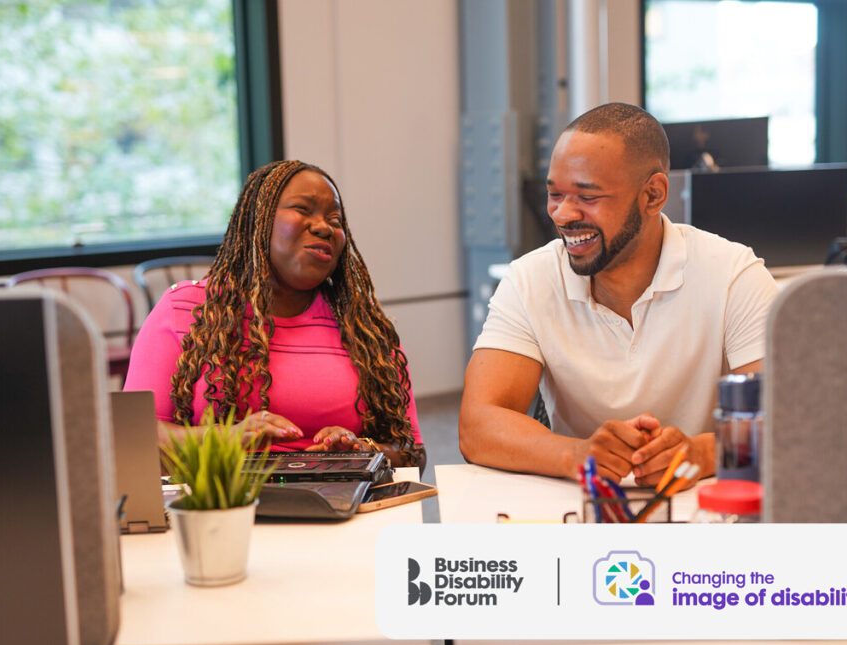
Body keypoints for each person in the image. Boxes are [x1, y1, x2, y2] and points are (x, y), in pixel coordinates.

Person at [459, 103, 777, 485]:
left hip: (709, 504)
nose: (561, 215)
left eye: (587, 197)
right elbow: (478, 425)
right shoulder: (531, 278)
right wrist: (577, 454)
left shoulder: (732, 274)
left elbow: (788, 417)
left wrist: (702, 453)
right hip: (583, 506)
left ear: (653, 195)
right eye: (555, 194)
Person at [125, 160, 425, 469]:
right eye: (303, 209)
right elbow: (135, 439)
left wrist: (363, 451)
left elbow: (412, 452)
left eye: (335, 219)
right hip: (223, 506)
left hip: (344, 507)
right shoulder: (187, 309)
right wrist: (227, 438)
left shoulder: (365, 329)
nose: (324, 226)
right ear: (259, 219)